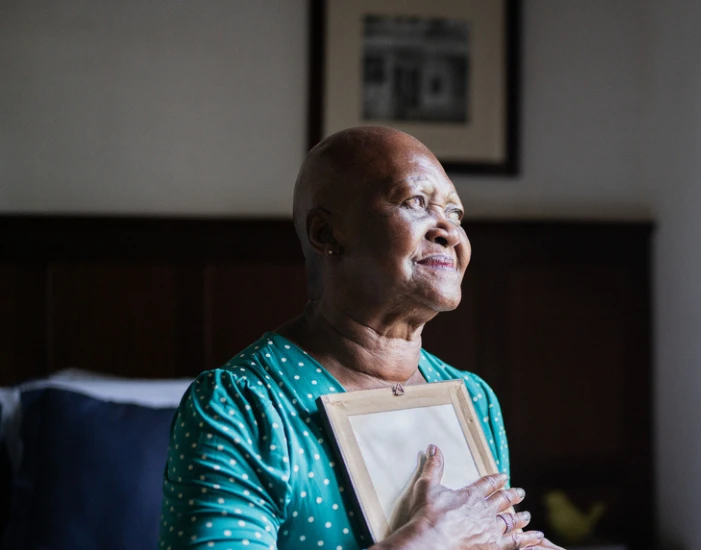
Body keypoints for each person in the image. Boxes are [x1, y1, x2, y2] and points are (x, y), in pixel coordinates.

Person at [158, 126, 563, 549]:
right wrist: (429, 541)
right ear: (326, 234)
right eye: (416, 202)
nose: (448, 230)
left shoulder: (474, 400)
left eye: (456, 213)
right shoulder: (242, 407)